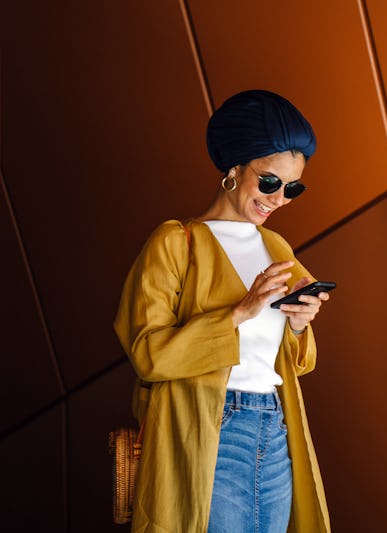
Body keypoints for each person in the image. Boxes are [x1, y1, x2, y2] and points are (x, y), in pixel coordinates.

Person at [114, 90, 331, 532]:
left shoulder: (277, 248)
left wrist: (297, 325)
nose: (280, 198)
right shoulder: (176, 243)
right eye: (269, 181)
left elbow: (296, 363)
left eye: (293, 188)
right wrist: (239, 311)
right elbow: (148, 355)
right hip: (211, 432)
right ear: (234, 167)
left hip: (275, 430)